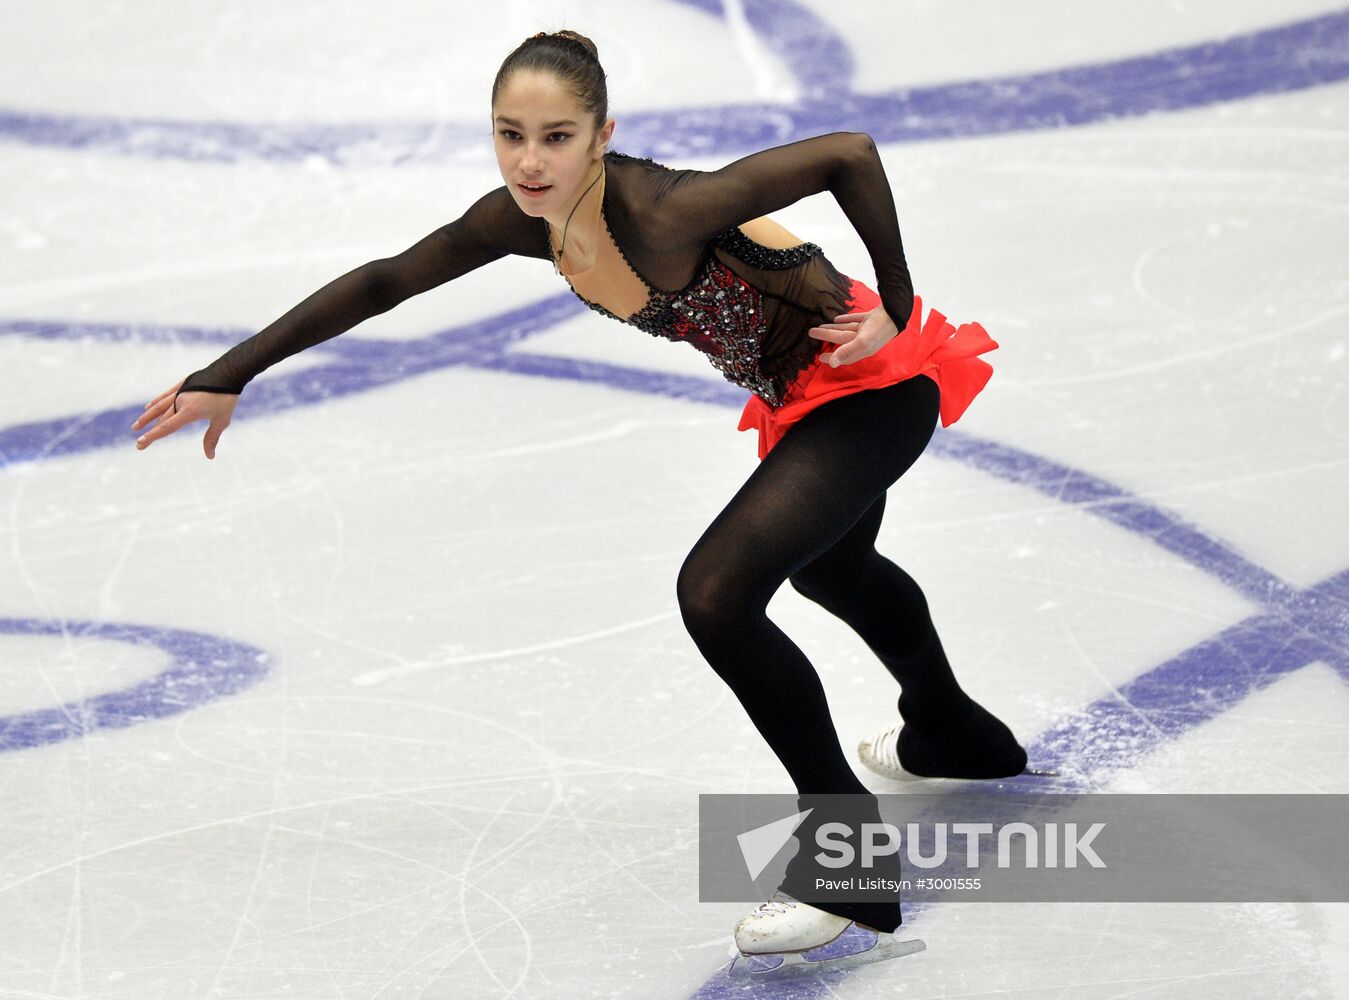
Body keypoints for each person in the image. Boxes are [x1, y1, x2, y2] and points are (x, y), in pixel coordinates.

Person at [131, 29, 1027, 972]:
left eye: (556, 136)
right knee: (834, 569)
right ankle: (954, 732)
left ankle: (848, 860)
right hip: (803, 401)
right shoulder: (523, 219)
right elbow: (386, 280)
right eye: (508, 133)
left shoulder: (667, 208)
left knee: (716, 594)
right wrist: (229, 372)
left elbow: (848, 153)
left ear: (601, 135)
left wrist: (894, 297)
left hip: (874, 386)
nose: (528, 159)